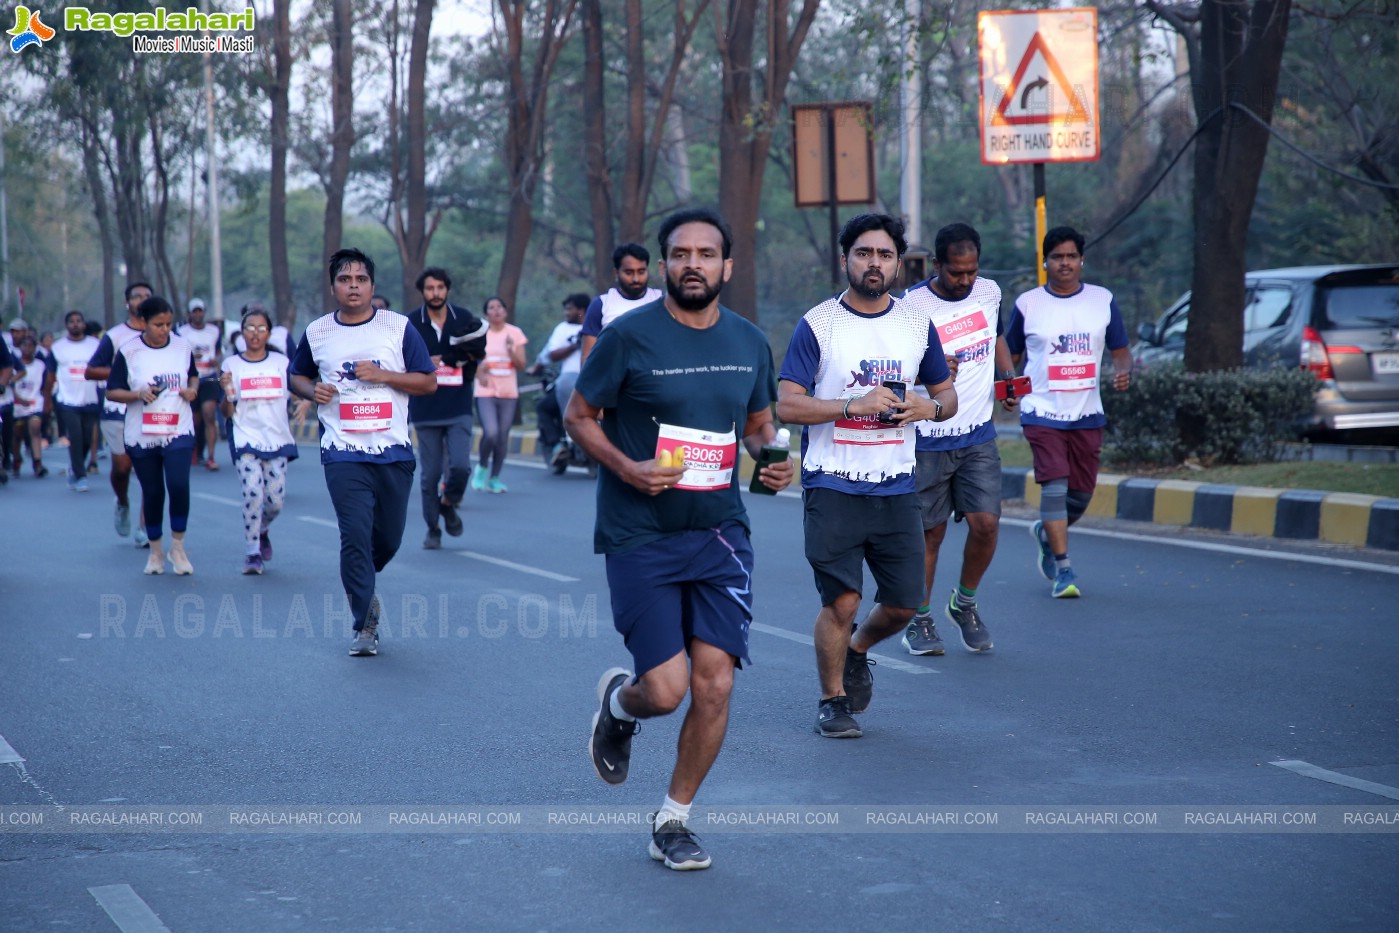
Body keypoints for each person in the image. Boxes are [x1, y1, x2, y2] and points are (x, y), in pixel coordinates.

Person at [567, 207, 793, 872]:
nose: (692, 263)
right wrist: (627, 466)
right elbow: (580, 415)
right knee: (664, 691)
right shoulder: (628, 336)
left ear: (727, 266)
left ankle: (673, 818)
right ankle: (618, 703)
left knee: (714, 683)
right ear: (664, 264)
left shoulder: (749, 340)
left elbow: (756, 423)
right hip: (640, 532)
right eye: (680, 253)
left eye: (705, 253)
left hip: (719, 532)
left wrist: (771, 455)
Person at [775, 212, 958, 740]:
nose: (873, 263)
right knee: (843, 601)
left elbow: (946, 393)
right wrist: (852, 404)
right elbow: (788, 405)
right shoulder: (819, 324)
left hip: (896, 483)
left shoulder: (914, 324)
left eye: (883, 255)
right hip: (832, 481)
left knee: (903, 604)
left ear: (897, 263)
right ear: (845, 260)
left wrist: (930, 410)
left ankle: (857, 651)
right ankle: (832, 701)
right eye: (863, 253)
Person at [289, 247, 437, 657]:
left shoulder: (398, 327)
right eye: (344, 279)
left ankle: (363, 580)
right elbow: (296, 375)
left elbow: (428, 382)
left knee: (386, 541)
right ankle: (364, 624)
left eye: (360, 279)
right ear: (333, 286)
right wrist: (310, 390)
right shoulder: (318, 332)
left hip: (392, 452)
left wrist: (383, 374)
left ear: (372, 285)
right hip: (342, 452)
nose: (353, 286)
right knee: (353, 535)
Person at [899, 223, 1012, 655]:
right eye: (956, 272)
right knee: (931, 535)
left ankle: (964, 603)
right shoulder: (911, 306)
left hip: (977, 432)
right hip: (928, 438)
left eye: (971, 271)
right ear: (937, 265)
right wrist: (929, 368)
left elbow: (995, 335)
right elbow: (898, 370)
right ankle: (920, 617)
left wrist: (1007, 377)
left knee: (986, 524)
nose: (965, 280)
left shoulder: (989, 292)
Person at [1005, 225, 1132, 599]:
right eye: (1057, 257)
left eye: (1071, 256)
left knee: (1081, 494)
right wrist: (1009, 386)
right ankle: (1063, 568)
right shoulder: (1028, 304)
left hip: (1088, 412)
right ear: (1045, 262)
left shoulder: (1102, 300)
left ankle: (1046, 532)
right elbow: (1010, 356)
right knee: (1055, 487)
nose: (1065, 263)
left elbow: (1120, 348)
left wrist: (1123, 370)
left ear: (1082, 260)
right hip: (1041, 410)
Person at [105, 296, 200, 575]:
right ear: (143, 323)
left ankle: (178, 547)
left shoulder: (182, 347)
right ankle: (156, 551)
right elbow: (112, 390)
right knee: (154, 491)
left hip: (177, 427)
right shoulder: (130, 351)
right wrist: (138, 394)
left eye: (169, 324)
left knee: (179, 484)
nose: (164, 330)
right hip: (142, 433)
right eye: (158, 324)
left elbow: (193, 376)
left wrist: (192, 389)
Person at [404, 266, 487, 549]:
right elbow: (401, 361)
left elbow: (477, 352)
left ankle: (448, 503)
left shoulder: (463, 318)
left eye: (440, 288)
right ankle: (433, 528)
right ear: (422, 291)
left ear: (447, 289)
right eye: (430, 288)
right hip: (425, 409)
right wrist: (429, 362)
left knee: (461, 467)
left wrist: (459, 359)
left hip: (459, 405)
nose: (435, 293)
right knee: (430, 475)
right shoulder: (411, 323)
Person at [220, 307, 299, 575]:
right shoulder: (231, 365)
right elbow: (227, 412)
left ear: (269, 332)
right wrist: (227, 392)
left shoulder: (281, 363)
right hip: (245, 437)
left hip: (276, 437)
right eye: (250, 328)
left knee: (275, 501)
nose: (255, 334)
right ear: (242, 333)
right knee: (253, 492)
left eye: (261, 328)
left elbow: (298, 389)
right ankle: (252, 552)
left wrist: (304, 403)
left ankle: (262, 528)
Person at [87, 282, 152, 547]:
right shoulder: (114, 336)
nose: (142, 300)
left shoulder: (163, 334)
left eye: (147, 296)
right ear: (128, 304)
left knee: (150, 470)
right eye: (136, 297)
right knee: (123, 467)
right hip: (118, 410)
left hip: (152, 410)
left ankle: (147, 527)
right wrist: (120, 373)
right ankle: (123, 502)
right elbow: (91, 370)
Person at [471, 296, 527, 494]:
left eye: (499, 307)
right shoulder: (480, 333)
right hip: (485, 390)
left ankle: (495, 478)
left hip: (508, 392)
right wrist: (479, 371)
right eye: (491, 308)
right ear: (486, 313)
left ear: (505, 311)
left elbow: (521, 365)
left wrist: (511, 349)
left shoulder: (514, 333)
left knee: (502, 437)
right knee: (491, 432)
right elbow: (472, 360)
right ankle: (482, 467)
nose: (496, 311)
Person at [578, 243, 662, 363]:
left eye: (641, 271)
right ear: (616, 274)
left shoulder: (662, 300)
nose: (636, 279)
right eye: (629, 273)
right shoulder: (601, 305)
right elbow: (587, 358)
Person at [534, 292, 587, 471]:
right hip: (567, 381)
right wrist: (575, 346)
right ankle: (559, 445)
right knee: (544, 407)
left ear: (581, 310)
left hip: (585, 380)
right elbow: (551, 353)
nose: (566, 313)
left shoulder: (596, 325)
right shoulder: (563, 328)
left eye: (570, 309)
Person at [51, 311, 102, 491]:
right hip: (67, 400)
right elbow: (50, 373)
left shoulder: (95, 344)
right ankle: (80, 476)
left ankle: (75, 465)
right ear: (67, 325)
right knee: (76, 436)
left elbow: (103, 366)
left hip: (90, 398)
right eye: (71, 321)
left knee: (88, 438)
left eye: (78, 321)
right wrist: (48, 399)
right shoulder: (58, 347)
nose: (75, 324)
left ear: (83, 324)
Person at [178, 297, 224, 471]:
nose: (198, 314)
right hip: (191, 379)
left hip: (209, 377)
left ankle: (211, 457)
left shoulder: (214, 331)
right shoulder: (181, 332)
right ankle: (196, 449)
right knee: (194, 419)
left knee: (209, 414)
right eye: (194, 311)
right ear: (189, 314)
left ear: (204, 312)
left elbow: (219, 352)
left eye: (200, 310)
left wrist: (216, 360)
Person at [10, 335, 53, 477]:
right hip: (17, 405)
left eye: (30, 346)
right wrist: (19, 399)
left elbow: (46, 384)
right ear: (19, 347)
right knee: (17, 434)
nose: (27, 349)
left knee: (35, 429)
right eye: (24, 345)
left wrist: (47, 400)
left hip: (35, 403)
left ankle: (37, 462)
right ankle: (16, 459)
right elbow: (8, 384)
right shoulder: (14, 365)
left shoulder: (40, 365)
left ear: (35, 348)